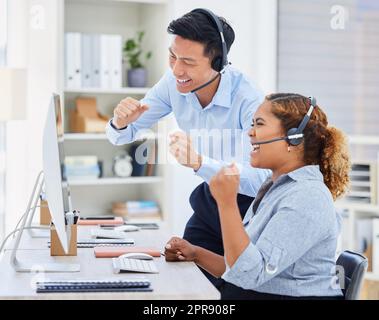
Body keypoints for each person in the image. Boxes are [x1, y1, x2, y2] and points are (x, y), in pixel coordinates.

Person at [106, 9, 270, 286]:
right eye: (173, 56)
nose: (177, 69)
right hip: (210, 201)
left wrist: (198, 162)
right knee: (184, 278)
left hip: (251, 211)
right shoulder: (173, 83)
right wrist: (120, 122)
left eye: (188, 62)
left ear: (218, 62)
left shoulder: (249, 100)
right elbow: (121, 136)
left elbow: (261, 180)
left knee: (232, 289)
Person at [165, 93, 350, 299]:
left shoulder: (308, 197)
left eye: (259, 124)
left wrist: (227, 203)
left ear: (293, 138)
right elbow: (243, 267)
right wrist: (196, 254)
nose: (250, 133)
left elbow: (250, 275)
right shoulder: (276, 188)